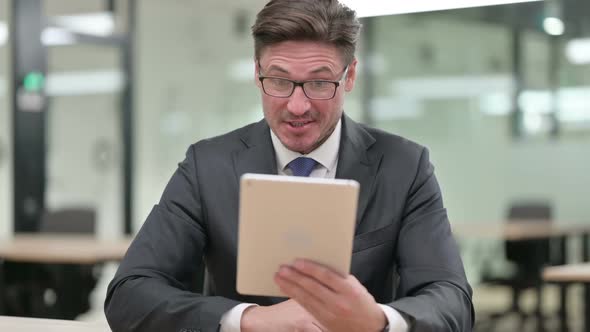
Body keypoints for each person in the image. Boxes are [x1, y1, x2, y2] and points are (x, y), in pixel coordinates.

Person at [105, 0, 474, 331]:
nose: (298, 106)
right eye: (279, 81)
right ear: (256, 72)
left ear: (349, 76)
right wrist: (249, 319)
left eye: (319, 83)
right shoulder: (207, 166)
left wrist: (377, 321)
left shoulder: (404, 166)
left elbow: (451, 299)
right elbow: (130, 293)